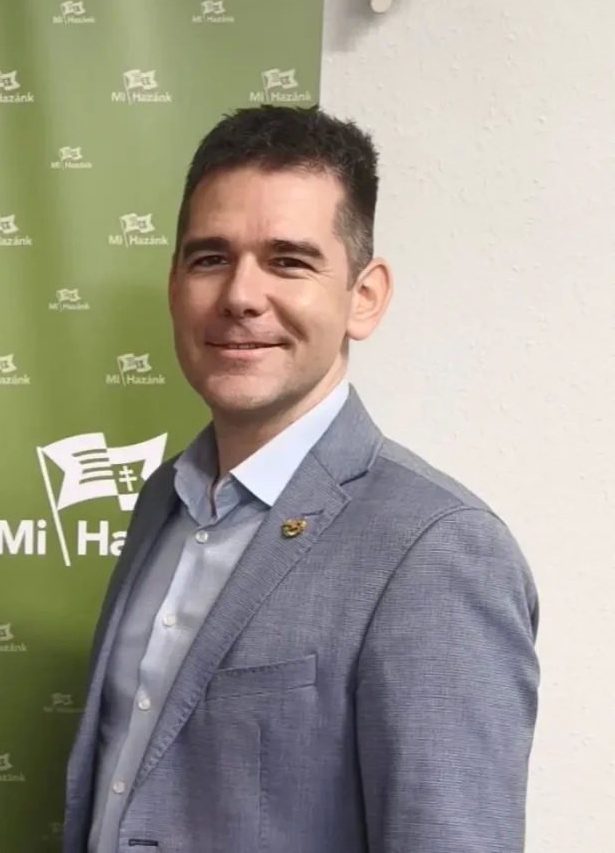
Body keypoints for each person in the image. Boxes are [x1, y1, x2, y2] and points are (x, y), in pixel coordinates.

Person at [62, 105, 539, 853]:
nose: (241, 295)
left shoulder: (437, 551)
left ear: (364, 296)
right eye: (210, 258)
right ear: (175, 284)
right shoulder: (162, 500)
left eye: (288, 261)